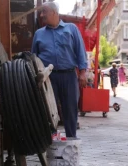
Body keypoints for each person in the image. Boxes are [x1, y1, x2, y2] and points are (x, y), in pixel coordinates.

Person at [31, 2, 87, 138]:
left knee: (70, 109)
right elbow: (33, 58)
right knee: (48, 110)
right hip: (48, 78)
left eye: (44, 11)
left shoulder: (71, 29)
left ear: (54, 13)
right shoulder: (39, 34)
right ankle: (51, 141)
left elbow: (80, 51)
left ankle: (71, 140)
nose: (42, 15)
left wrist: (83, 72)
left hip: (69, 76)